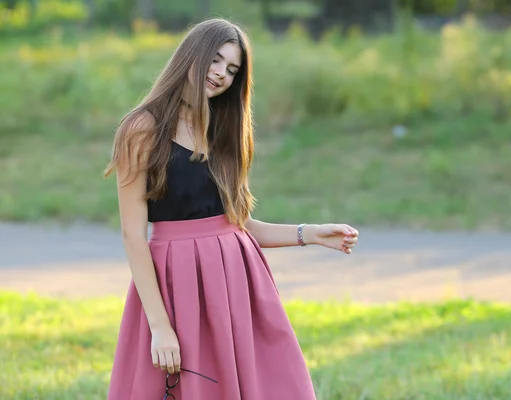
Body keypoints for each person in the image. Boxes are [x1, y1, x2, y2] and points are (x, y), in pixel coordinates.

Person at [103, 18, 359, 400]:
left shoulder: (223, 128)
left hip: (238, 284)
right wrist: (159, 325)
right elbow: (132, 235)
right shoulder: (142, 128)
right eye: (216, 60)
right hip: (177, 284)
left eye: (232, 69)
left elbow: (240, 226)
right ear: (192, 56)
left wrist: (310, 233)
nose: (222, 74)